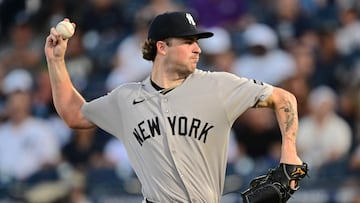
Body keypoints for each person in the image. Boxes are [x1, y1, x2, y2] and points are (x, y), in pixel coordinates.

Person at [45, 11, 303, 203]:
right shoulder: (126, 99)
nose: (198, 49)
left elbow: (284, 98)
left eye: (197, 42)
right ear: (162, 47)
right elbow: (74, 113)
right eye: (188, 42)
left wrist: (289, 151)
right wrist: (56, 61)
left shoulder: (219, 85)